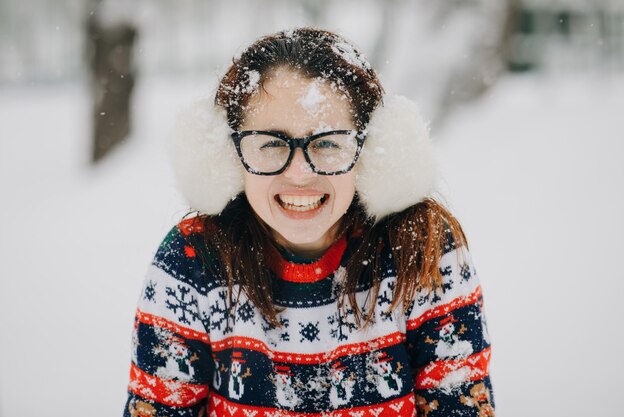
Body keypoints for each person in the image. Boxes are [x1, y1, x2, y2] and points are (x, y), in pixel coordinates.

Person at [124, 28, 495, 417]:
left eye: (328, 142)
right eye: (270, 143)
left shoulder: (422, 251)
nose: (300, 174)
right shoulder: (191, 261)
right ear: (229, 157)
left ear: (370, 153)